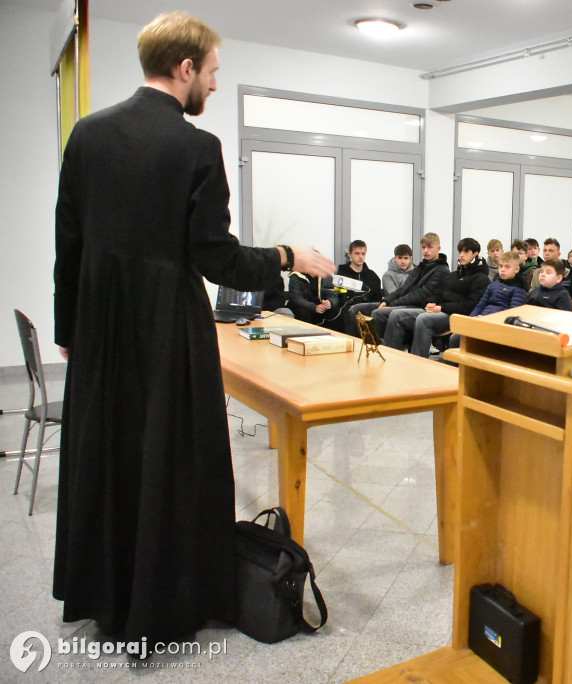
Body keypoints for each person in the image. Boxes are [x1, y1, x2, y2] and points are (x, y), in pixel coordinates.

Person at [51, 12, 335, 644]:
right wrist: (288, 258)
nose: (212, 83)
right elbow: (216, 257)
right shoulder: (195, 147)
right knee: (172, 461)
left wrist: (68, 325)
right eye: (212, 72)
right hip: (167, 330)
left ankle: (108, 595)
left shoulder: (87, 135)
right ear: (185, 70)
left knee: (109, 457)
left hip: (100, 326)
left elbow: (66, 243)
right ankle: (168, 602)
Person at [390, 238, 490, 357]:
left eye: (466, 252)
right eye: (460, 252)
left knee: (423, 319)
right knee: (397, 315)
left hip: (458, 316)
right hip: (440, 310)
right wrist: (430, 302)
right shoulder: (454, 275)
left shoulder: (481, 278)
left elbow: (470, 306)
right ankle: (391, 356)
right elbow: (440, 293)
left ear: (475, 254)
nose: (461, 255)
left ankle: (418, 360)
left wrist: (442, 308)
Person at [371, 233, 449, 340]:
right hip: (408, 303)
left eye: (429, 247)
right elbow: (403, 289)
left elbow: (420, 295)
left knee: (380, 313)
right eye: (423, 247)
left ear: (438, 248)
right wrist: (387, 301)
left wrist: (393, 304)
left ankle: (385, 351)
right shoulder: (421, 267)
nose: (426, 250)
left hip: (420, 306)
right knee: (359, 309)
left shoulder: (441, 270)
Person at [448, 252, 529, 349]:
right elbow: (481, 304)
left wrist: (487, 319)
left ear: (516, 269)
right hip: (482, 320)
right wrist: (471, 319)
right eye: (500, 266)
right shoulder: (494, 285)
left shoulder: (519, 289)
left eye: (507, 267)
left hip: (497, 327)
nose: (502, 270)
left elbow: (512, 315)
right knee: (455, 338)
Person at [336, 240, 382, 334]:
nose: (360, 257)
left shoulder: (372, 276)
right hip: (348, 312)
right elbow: (339, 297)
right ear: (350, 254)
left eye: (363, 254)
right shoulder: (342, 275)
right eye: (357, 253)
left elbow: (377, 299)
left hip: (368, 312)